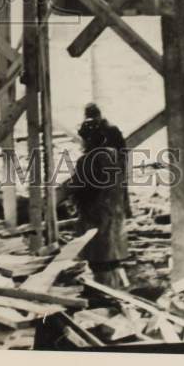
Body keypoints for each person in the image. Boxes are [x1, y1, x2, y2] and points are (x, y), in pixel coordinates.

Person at [67, 117, 130, 286]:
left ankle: (107, 296)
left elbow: (81, 190)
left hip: (96, 219)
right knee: (112, 261)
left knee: (100, 263)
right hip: (114, 217)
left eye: (84, 138)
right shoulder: (116, 155)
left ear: (89, 139)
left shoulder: (88, 160)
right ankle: (116, 291)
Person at [83, 103, 132, 218]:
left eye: (94, 117)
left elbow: (122, 149)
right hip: (99, 164)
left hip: (114, 162)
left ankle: (125, 211)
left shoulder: (111, 129)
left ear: (99, 116)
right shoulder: (89, 128)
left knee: (118, 188)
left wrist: (119, 164)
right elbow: (87, 148)